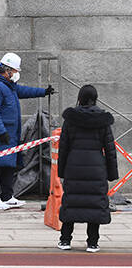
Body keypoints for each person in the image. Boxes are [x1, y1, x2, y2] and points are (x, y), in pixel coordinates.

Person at [0, 53, 54, 210]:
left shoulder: (7, 86)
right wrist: (1, 132)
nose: (16, 74)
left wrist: (43, 92)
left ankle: (7, 197)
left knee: (8, 165)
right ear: (7, 71)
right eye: (14, 70)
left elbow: (24, 91)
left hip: (9, 135)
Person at [57, 85, 118, 253]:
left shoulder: (70, 119)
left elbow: (63, 147)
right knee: (94, 204)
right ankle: (92, 242)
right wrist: (112, 173)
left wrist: (61, 172)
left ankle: (65, 239)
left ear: (80, 98)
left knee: (71, 202)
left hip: (74, 167)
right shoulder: (103, 120)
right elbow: (110, 149)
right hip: (96, 168)